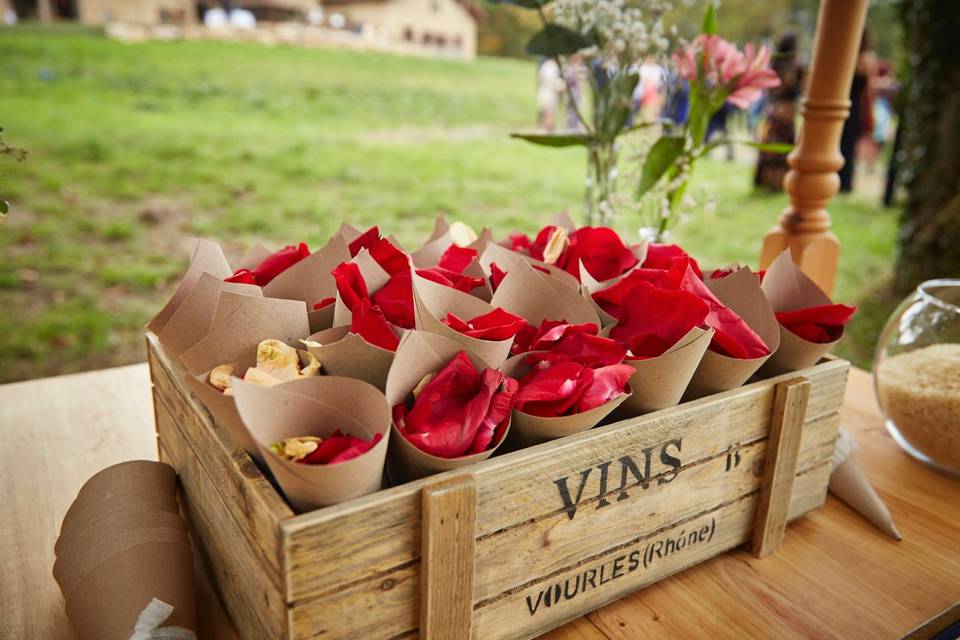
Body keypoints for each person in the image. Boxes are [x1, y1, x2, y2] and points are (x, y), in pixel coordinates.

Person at [754, 33, 804, 191]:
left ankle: (768, 181)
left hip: (773, 111)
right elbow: (797, 90)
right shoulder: (795, 68)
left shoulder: (775, 65)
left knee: (772, 148)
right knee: (781, 148)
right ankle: (777, 182)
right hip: (785, 112)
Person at [838, 29, 876, 193]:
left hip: (842, 102)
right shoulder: (866, 58)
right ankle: (845, 182)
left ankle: (839, 179)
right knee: (848, 145)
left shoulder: (846, 55)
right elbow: (868, 87)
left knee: (840, 142)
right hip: (855, 107)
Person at [537, 58, 564, 132]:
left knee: (549, 112)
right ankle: (547, 129)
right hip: (549, 92)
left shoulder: (547, 65)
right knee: (549, 112)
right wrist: (561, 86)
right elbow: (551, 80)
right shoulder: (551, 66)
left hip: (548, 92)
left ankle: (548, 128)